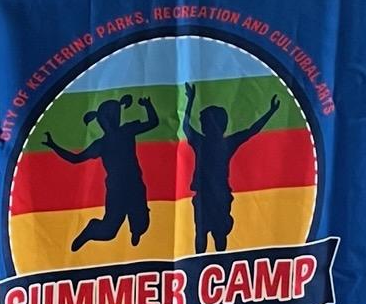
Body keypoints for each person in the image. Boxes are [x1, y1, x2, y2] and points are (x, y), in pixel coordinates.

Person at [43, 94, 159, 251]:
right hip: (117, 189)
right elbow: (76, 159)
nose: (111, 121)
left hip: (134, 185)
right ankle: (90, 230)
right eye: (107, 118)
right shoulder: (102, 144)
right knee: (109, 231)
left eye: (114, 116)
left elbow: (153, 123)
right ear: (102, 121)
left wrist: (147, 106)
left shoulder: (126, 131)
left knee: (141, 223)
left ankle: (136, 231)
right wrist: (54, 146)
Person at [182, 82, 280, 254]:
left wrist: (271, 112)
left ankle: (220, 265)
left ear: (216, 125)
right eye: (203, 122)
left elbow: (252, 130)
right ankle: (203, 265)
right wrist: (190, 100)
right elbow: (251, 130)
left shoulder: (218, 143)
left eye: (205, 121)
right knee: (204, 234)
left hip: (218, 195)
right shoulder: (208, 142)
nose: (203, 125)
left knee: (215, 234)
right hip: (207, 196)